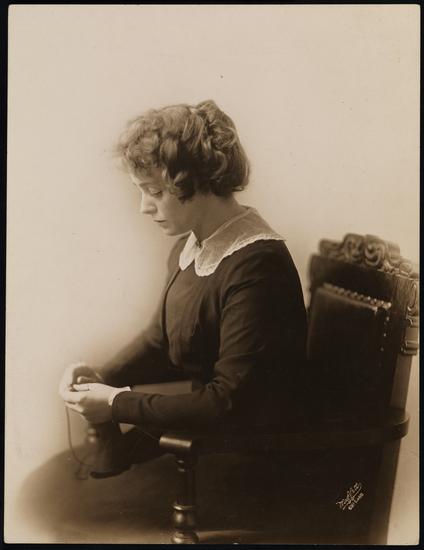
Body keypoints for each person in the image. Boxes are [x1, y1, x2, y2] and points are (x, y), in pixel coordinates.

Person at [59, 100, 307, 478]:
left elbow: (227, 401)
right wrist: (100, 377)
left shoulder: (258, 266)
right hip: (204, 439)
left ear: (198, 183)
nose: (144, 207)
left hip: (250, 459)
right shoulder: (188, 249)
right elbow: (159, 341)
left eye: (154, 191)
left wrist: (116, 403)